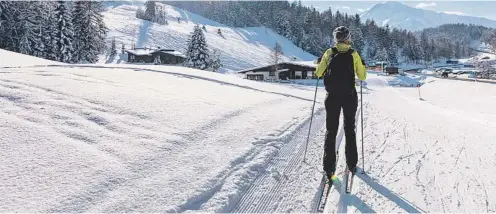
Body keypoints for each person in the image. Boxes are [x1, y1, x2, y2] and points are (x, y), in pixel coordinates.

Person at [314, 26, 367, 181]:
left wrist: (320, 63)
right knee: (349, 129)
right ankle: (351, 164)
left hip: (332, 98)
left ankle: (329, 168)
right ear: (348, 38)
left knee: (331, 130)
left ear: (335, 38)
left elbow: (318, 73)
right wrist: (362, 65)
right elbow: (362, 76)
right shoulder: (353, 54)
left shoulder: (329, 53)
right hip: (349, 96)